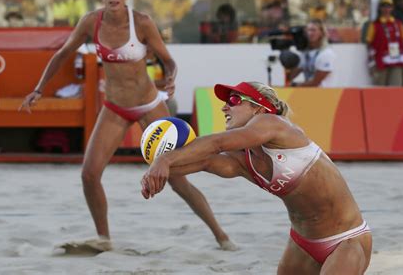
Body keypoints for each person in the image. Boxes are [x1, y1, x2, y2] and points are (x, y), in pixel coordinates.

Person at [20, 0, 234, 251]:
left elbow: (168, 61)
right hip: (115, 107)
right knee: (89, 174)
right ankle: (104, 238)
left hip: (149, 105)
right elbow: (62, 55)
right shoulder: (90, 22)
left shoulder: (142, 23)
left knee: (177, 179)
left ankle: (221, 236)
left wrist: (170, 78)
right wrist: (38, 88)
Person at [141, 81, 372, 274]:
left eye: (233, 101)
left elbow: (216, 143)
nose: (224, 108)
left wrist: (165, 161)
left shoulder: (273, 124)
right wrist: (155, 172)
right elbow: (204, 161)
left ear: (259, 108)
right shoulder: (245, 161)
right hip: (302, 243)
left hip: (346, 240)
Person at [366, 0, 403, 86]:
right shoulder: (374, 25)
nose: (386, 8)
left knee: (395, 90)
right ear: (380, 8)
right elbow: (369, 44)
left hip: (397, 61)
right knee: (380, 91)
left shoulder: (399, 24)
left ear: (392, 8)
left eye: (389, 6)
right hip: (380, 62)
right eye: (383, 6)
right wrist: (371, 62)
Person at [286, 19, 336, 87]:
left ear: (321, 33)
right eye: (308, 30)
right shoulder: (305, 53)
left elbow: (315, 83)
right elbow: (290, 77)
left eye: (313, 30)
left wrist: (294, 85)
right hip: (309, 93)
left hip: (324, 94)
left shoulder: (326, 53)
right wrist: (288, 62)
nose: (310, 33)